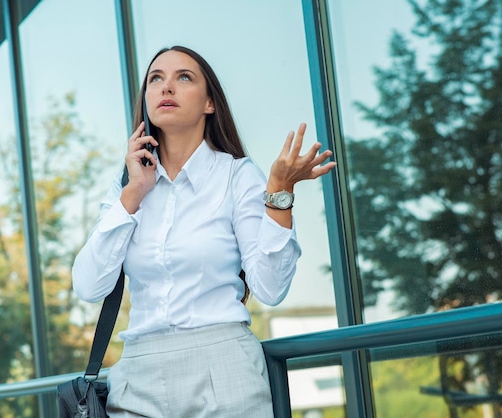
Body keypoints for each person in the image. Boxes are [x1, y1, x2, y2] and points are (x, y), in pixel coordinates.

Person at [71, 45, 336, 417]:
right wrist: (133, 194)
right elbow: (88, 286)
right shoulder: (126, 186)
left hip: (223, 370)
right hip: (137, 378)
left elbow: (271, 289)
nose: (166, 88)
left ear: (210, 103)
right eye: (155, 79)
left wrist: (280, 191)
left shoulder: (236, 175)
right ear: (146, 99)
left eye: (183, 77)